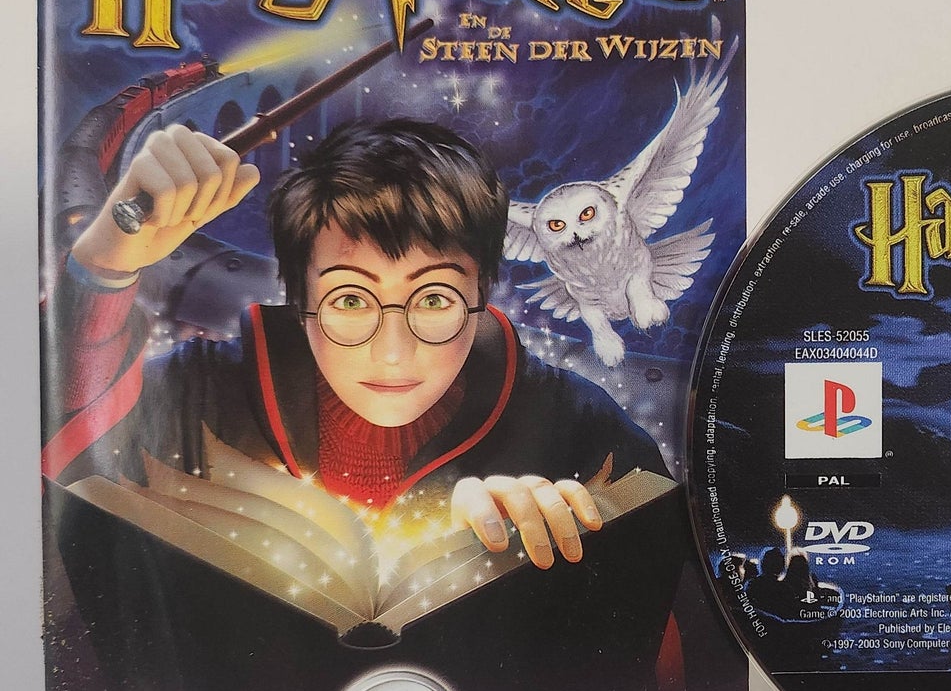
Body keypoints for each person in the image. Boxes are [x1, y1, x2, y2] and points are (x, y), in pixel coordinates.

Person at [45, 119, 664, 569]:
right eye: (349, 300)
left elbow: (675, 613)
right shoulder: (196, 395)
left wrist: (580, 545)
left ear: (482, 295)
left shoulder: (578, 426)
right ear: (298, 300)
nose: (392, 351)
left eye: (434, 300)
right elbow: (49, 452)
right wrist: (105, 263)